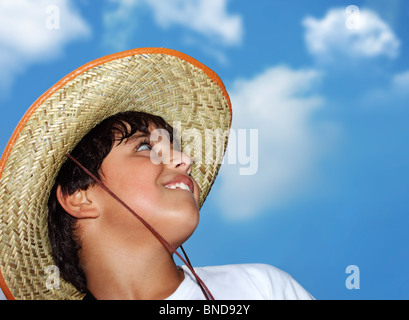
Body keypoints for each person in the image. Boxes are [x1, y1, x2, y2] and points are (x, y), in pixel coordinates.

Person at [0, 48, 314, 300]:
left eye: (175, 147)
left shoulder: (262, 289)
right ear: (79, 196)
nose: (184, 159)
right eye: (145, 148)